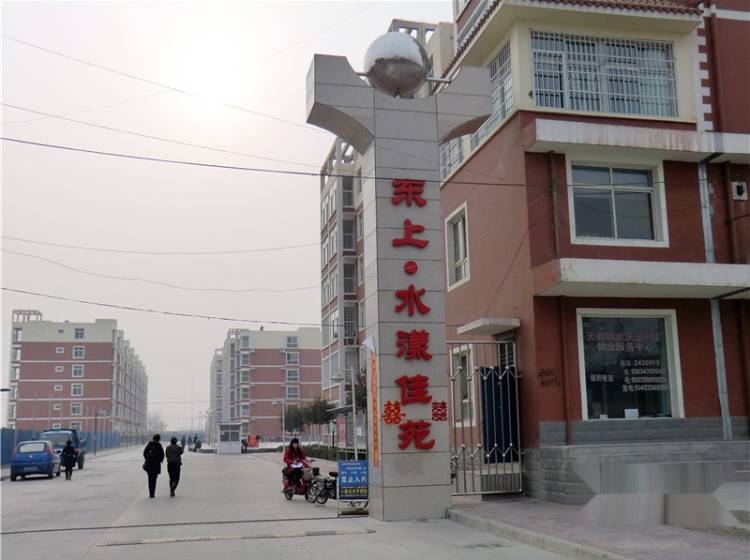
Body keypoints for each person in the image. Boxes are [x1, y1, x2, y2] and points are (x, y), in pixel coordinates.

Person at [142, 434, 165, 498]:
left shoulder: (149, 444)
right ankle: (152, 493)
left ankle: (151, 493)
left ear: (153, 438)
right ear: (159, 439)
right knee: (154, 479)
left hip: (149, 465)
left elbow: (144, 453)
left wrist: (148, 459)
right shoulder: (159, 445)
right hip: (156, 465)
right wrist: (159, 460)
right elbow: (162, 455)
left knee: (150, 479)